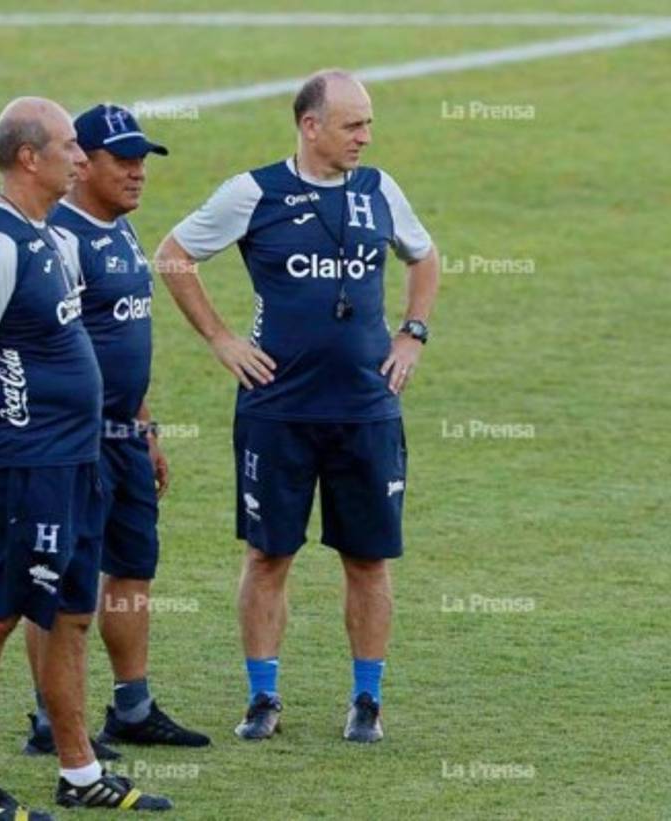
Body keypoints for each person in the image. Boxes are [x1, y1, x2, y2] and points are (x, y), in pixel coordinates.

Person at [153, 70, 440, 743]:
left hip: (367, 411)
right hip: (276, 412)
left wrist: (413, 332)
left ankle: (366, 699)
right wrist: (223, 339)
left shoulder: (379, 191)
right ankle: (262, 696)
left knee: (368, 559)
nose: (365, 137)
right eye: (352, 125)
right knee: (266, 555)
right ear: (311, 127)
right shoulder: (255, 192)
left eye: (368, 123)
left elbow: (424, 258)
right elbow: (172, 256)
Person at [0, 96, 170, 817]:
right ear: (29, 158)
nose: (81, 157)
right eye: (69, 146)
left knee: (68, 613)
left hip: (78, 461)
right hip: (26, 462)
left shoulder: (49, 238)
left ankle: (79, 771)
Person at [21, 104, 210, 757]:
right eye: (121, 160)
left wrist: (146, 425)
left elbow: (122, 341)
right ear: (81, 165)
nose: (137, 173)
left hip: (124, 434)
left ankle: (132, 705)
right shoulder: (59, 240)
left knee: (133, 567)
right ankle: (51, 719)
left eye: (142, 160)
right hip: (73, 438)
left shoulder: (119, 229)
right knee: (60, 576)